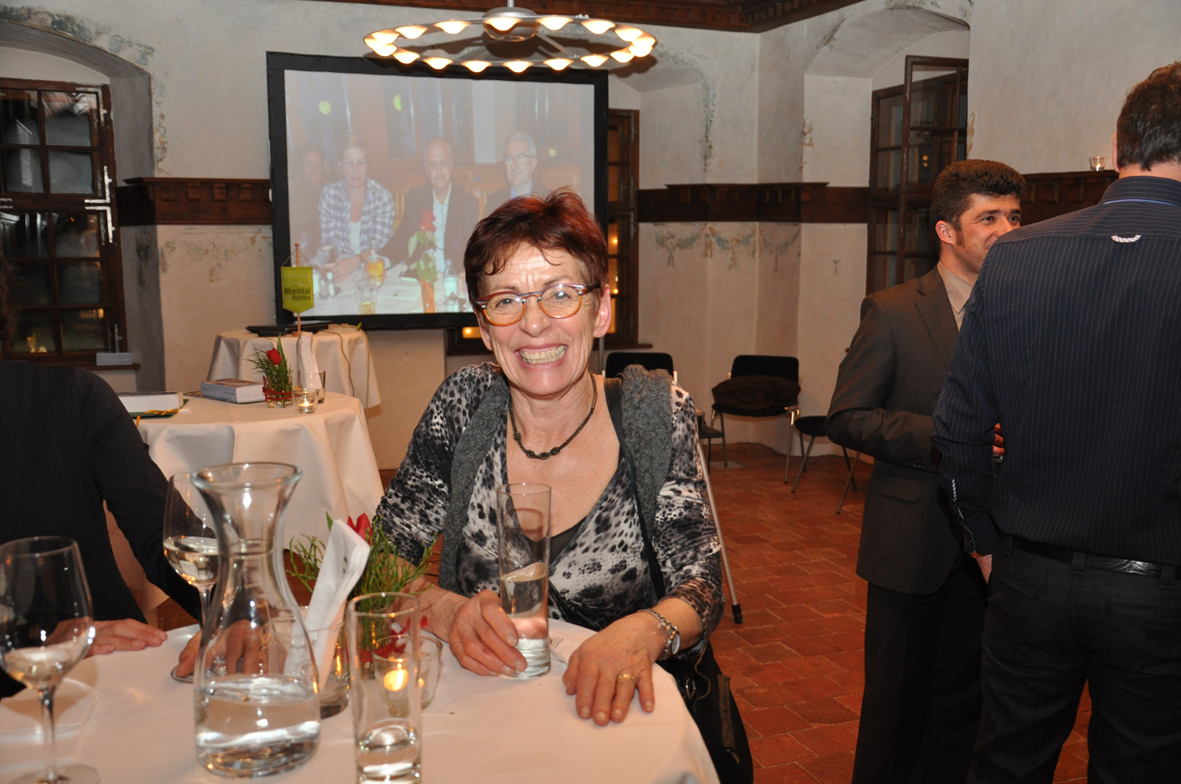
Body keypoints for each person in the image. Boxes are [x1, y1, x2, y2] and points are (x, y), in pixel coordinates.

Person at [375, 190, 723, 726]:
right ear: (484, 327)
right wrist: (442, 609)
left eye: (560, 294)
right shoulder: (462, 407)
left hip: (615, 719)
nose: (534, 324)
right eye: (506, 301)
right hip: (485, 713)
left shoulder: (654, 414)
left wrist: (644, 630)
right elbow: (380, 557)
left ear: (600, 310)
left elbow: (701, 584)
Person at [933, 63, 1181, 782]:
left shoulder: (1017, 254)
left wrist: (983, 545)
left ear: (1120, 144)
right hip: (1162, 588)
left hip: (1027, 576)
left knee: (1006, 761)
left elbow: (957, 431)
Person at [826, 159, 1024, 783]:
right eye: (988, 218)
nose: (1007, 230)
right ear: (946, 231)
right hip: (913, 542)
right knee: (897, 705)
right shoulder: (892, 312)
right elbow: (847, 416)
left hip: (1000, 540)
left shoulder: (1029, 308)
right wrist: (945, 437)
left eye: (1014, 217)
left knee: (971, 703)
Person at [0, 261, 202, 698]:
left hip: (111, 674)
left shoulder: (72, 398)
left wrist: (233, 607)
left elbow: (165, 535)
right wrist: (36, 642)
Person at [383, 138, 480, 308]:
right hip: (420, 281)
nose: (439, 171)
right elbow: (402, 239)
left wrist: (466, 272)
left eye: (443, 163)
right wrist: (381, 261)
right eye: (432, 165)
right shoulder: (415, 198)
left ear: (451, 165)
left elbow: (472, 249)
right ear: (426, 170)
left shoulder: (467, 203)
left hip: (452, 281)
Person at [317, 134, 395, 281]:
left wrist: (354, 262)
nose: (355, 169)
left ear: (367, 165)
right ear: (339, 164)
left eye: (360, 162)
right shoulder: (329, 196)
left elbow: (377, 248)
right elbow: (329, 245)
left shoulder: (382, 197)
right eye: (348, 163)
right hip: (343, 268)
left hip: (377, 267)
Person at [486, 131, 549, 213]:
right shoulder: (494, 201)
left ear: (533, 163)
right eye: (509, 159)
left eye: (520, 158)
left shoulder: (547, 201)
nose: (514, 166)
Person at [288, 144, 326, 254]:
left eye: (318, 164)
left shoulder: (327, 190)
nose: (314, 168)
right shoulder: (296, 192)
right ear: (300, 168)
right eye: (309, 164)